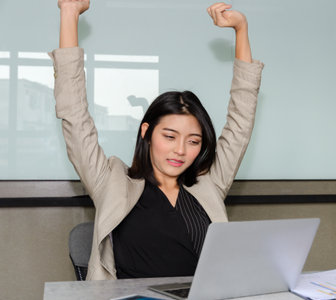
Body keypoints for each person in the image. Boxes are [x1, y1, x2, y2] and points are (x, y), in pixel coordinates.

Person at [51, 0, 263, 280]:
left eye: (193, 141)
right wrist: (69, 13)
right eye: (170, 136)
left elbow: (240, 123)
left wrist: (241, 29)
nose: (180, 150)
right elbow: (75, 115)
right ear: (146, 133)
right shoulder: (111, 182)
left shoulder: (209, 184)